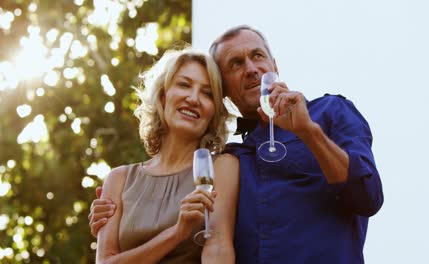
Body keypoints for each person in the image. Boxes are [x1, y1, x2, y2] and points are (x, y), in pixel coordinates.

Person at [90, 25, 384, 264]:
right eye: (236, 63)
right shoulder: (235, 157)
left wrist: (308, 132)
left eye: (258, 56)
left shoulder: (330, 112)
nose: (251, 68)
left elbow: (367, 197)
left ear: (274, 66)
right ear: (226, 91)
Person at [93, 48, 238, 264]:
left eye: (207, 93)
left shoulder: (222, 167)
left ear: (214, 111)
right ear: (163, 96)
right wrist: (178, 232)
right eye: (184, 85)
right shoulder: (119, 179)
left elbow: (218, 249)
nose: (193, 98)